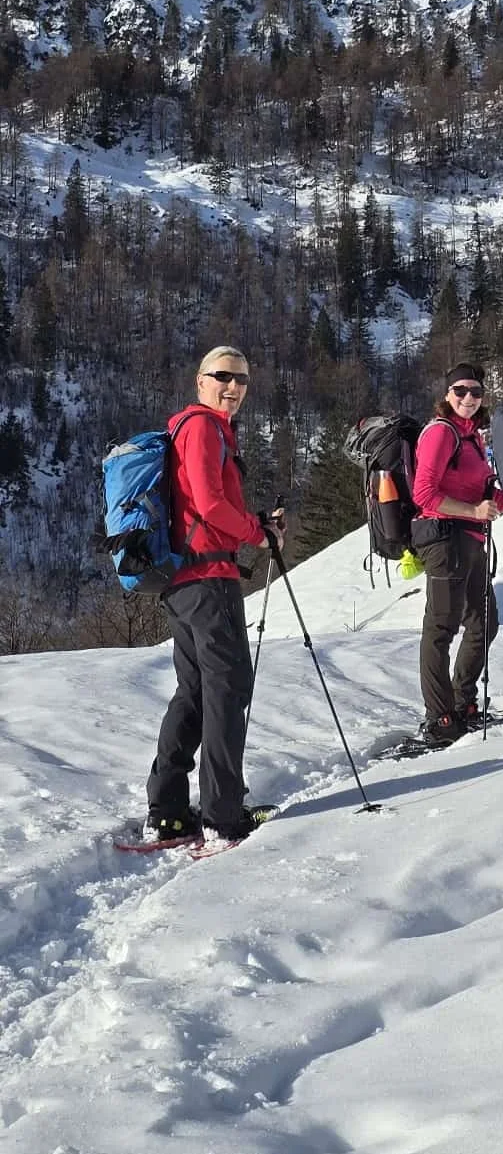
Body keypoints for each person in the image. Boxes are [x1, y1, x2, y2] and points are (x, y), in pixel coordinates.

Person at [146, 346, 283, 843]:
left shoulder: (188, 427)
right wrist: (256, 532)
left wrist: (253, 526)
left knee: (197, 691)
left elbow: (204, 503)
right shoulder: (203, 426)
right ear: (200, 381)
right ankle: (224, 814)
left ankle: (167, 809)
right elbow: (208, 504)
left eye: (242, 380)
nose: (234, 386)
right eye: (223, 376)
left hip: (185, 581)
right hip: (208, 580)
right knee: (228, 691)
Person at [412, 361, 503, 747]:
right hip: (445, 540)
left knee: (484, 624)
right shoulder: (441, 434)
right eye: (460, 391)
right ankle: (440, 716)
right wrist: (472, 511)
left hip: (471, 540)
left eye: (476, 392)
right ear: (446, 395)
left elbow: (488, 495)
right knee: (440, 629)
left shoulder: (471, 436)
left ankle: (462, 702)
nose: (469, 398)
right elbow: (423, 494)